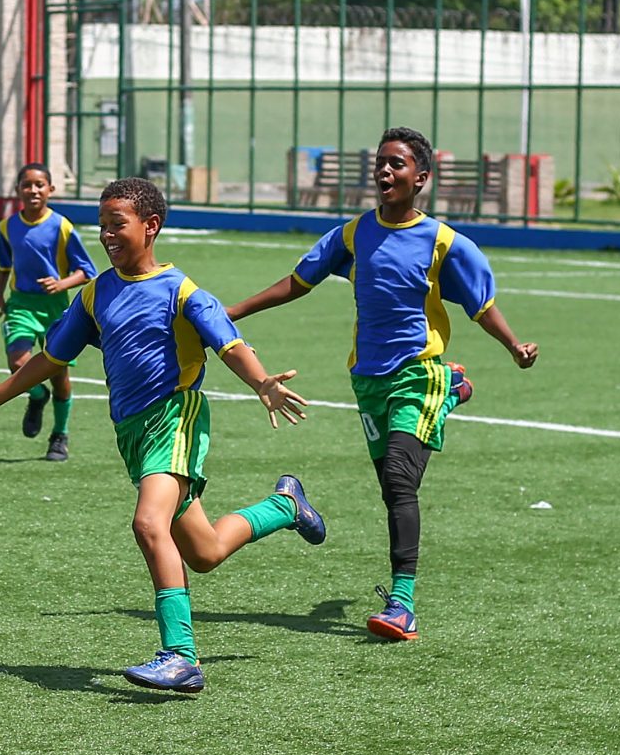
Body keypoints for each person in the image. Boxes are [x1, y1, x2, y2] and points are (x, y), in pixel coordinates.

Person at [0, 176, 324, 694]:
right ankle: (284, 505)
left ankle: (181, 655)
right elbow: (53, 358)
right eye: (101, 225)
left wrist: (262, 382)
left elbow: (229, 343)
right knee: (206, 552)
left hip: (177, 416)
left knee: (149, 524)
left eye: (116, 224)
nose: (105, 234)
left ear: (151, 226)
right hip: (132, 432)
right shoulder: (96, 292)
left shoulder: (182, 290)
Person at [228, 127, 538, 644]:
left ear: (422, 177)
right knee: (390, 487)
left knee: (399, 480)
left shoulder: (443, 242)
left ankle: (403, 604)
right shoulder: (353, 234)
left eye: (397, 164)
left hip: (419, 372)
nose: (385, 171)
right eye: (380, 163)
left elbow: (480, 304)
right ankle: (456, 391)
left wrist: (514, 345)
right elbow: (299, 281)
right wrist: (232, 312)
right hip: (368, 380)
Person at [0, 162, 97, 462]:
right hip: (21, 304)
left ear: (51, 189)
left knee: (59, 374)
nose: (33, 190)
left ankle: (59, 435)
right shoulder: (7, 227)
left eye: (39, 185)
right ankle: (37, 396)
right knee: (17, 361)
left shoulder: (61, 226)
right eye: (27, 185)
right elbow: (4, 265)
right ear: (18, 190)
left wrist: (62, 283)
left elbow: (87, 271)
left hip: (55, 309)